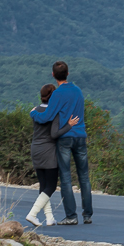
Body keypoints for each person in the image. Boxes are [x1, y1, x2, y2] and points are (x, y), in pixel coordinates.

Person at [30, 60, 93, 225]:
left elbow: (47, 117)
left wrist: (33, 114)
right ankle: (87, 214)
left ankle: (71, 216)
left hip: (65, 137)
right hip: (80, 135)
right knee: (84, 176)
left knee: (66, 177)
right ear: (68, 73)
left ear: (53, 75)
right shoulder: (78, 91)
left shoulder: (57, 94)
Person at [25, 83, 80, 227]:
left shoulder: (35, 110)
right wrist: (69, 125)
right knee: (51, 186)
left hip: (35, 149)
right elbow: (54, 134)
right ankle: (32, 214)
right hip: (48, 151)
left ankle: (49, 218)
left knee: (43, 186)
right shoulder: (54, 113)